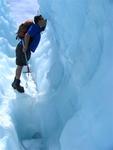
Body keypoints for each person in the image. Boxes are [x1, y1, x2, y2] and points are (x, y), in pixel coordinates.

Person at [12, 15, 47, 93]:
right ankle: (16, 83)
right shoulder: (35, 27)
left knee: (20, 65)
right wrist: (25, 47)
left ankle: (16, 82)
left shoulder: (38, 28)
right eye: (42, 20)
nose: (44, 21)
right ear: (38, 21)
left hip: (24, 48)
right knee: (20, 66)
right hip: (23, 48)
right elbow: (27, 35)